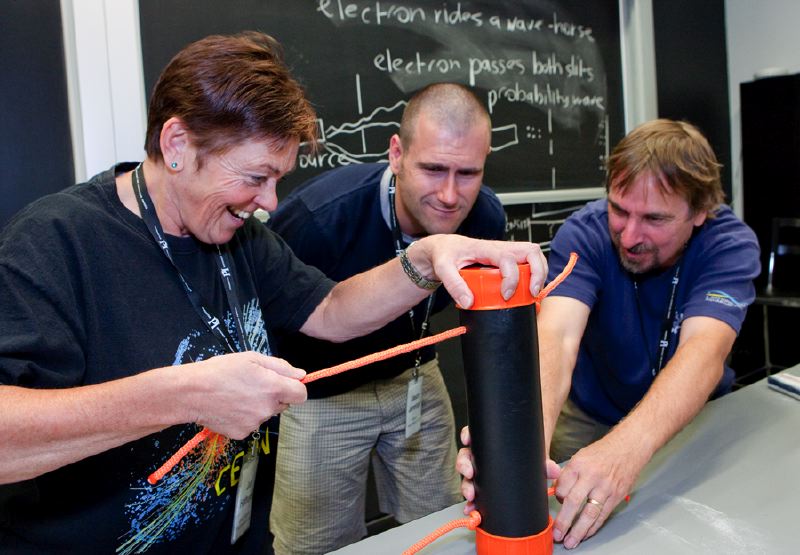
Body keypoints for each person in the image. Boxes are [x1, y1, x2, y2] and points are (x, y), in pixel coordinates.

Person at [0, 32, 548, 554]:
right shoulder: (56, 242)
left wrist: (424, 259)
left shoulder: (242, 238)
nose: (268, 202)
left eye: (277, 179)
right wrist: (182, 396)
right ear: (177, 145)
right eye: (255, 177)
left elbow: (332, 311)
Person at [457, 119, 760, 549]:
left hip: (688, 416)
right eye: (619, 209)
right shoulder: (585, 233)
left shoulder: (729, 244)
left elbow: (704, 351)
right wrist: (519, 451)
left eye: (654, 218)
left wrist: (624, 451)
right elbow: (557, 338)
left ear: (699, 213)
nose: (630, 235)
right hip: (587, 415)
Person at [266, 83, 504, 555]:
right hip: (322, 395)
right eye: (433, 169)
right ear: (396, 154)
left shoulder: (484, 221)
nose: (451, 194)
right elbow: (267, 312)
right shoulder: (316, 221)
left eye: (468, 173)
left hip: (413, 375)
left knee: (448, 521)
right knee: (317, 545)